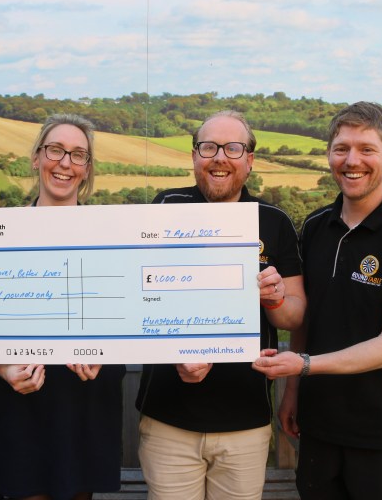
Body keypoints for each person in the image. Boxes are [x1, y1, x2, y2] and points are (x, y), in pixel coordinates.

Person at [252, 102, 382, 500]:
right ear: (329, 155)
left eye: (366, 149)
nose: (351, 161)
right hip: (319, 426)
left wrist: (304, 366)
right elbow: (308, 317)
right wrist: (293, 392)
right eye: (341, 148)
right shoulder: (315, 226)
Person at [135, 110, 306, 499]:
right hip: (168, 421)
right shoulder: (165, 207)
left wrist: (277, 298)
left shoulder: (274, 221)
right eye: (208, 147)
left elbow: (294, 315)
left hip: (244, 422)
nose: (219, 157)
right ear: (194, 156)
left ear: (249, 160)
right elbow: (140, 295)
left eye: (233, 147)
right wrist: (178, 350)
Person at [0, 114, 126, 500]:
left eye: (78, 155)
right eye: (56, 150)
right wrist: (2, 366)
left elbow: (131, 315)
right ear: (35, 158)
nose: (65, 163)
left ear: (88, 168)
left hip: (85, 402)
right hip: (19, 399)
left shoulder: (115, 236)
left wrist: (105, 354)